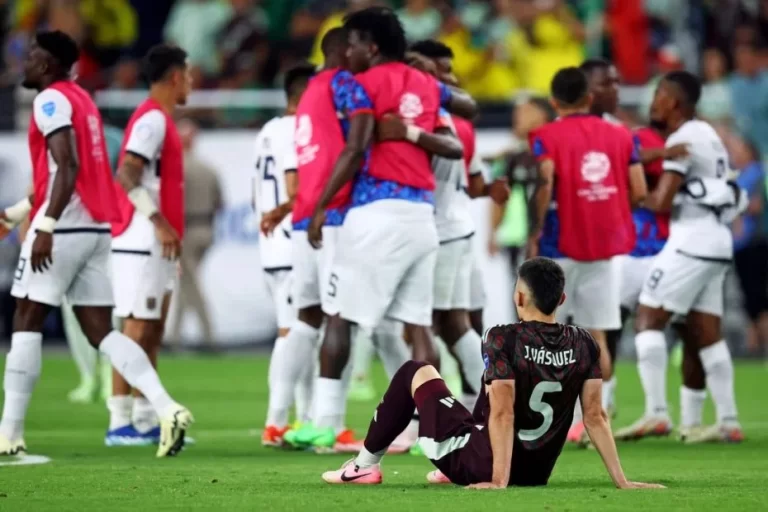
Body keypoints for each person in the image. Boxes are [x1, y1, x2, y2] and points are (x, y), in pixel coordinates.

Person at [0, 31, 191, 458]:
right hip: (95, 228)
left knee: (26, 319)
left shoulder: (48, 101)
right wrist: (15, 213)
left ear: (48, 65)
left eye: (31, 57)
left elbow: (65, 166)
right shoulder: (82, 100)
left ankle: (8, 438)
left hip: (63, 227)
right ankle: (166, 406)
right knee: (101, 332)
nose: (24, 64)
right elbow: (68, 172)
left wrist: (45, 224)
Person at [322, 257, 664, 490]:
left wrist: (497, 480)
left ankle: (364, 466)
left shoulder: (504, 336)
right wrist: (622, 480)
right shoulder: (584, 342)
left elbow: (502, 412)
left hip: (487, 465)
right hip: (536, 473)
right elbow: (595, 416)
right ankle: (460, 463)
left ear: (518, 295)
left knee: (416, 370)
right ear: (561, 298)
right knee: (497, 388)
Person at [303, 6, 477, 452]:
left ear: (372, 46)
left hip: (375, 213)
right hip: (422, 217)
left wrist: (321, 205)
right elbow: (467, 106)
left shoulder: (357, 84)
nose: (350, 53)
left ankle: (325, 422)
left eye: (355, 44)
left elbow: (358, 144)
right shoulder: (426, 84)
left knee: (339, 315)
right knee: (419, 328)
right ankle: (440, 433)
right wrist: (418, 119)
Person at [527, 67, 647, 446]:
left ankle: (546, 421)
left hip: (558, 248)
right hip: (604, 247)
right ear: (589, 97)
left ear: (554, 101)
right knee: (597, 337)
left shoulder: (544, 136)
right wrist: (608, 211)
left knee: (542, 334)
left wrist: (534, 232)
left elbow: (545, 182)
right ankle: (596, 419)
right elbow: (640, 190)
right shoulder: (622, 135)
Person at [631, 71, 745, 444]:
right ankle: (728, 420)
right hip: (717, 241)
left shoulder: (682, 137)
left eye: (659, 93)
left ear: (674, 101)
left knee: (648, 316)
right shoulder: (709, 134)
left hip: (691, 240)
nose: (654, 100)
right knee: (707, 332)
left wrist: (631, 195)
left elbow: (661, 202)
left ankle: (656, 413)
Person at [105, 44, 190, 447]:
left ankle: (142, 419)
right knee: (135, 329)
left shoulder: (162, 120)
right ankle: (118, 420)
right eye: (187, 75)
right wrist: (158, 222)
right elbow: (126, 173)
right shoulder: (152, 120)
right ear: (175, 77)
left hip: (155, 241)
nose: (190, 82)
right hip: (141, 237)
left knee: (152, 329)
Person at [254, 63, 316, 446]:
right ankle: (279, 421)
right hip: (291, 242)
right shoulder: (296, 129)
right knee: (296, 332)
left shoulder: (266, 130)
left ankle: (299, 419)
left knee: (296, 331)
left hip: (271, 247)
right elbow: (295, 188)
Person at [168, 118, 221, 349]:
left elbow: (171, 204)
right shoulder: (208, 169)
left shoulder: (177, 169)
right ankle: (174, 336)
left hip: (186, 231)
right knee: (187, 281)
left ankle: (209, 336)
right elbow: (220, 203)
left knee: (190, 284)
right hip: (206, 229)